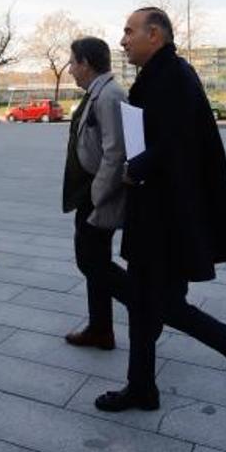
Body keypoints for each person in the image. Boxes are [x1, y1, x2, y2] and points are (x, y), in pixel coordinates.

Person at [94, 7, 226, 413]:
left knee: (162, 305)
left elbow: (176, 142)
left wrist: (134, 168)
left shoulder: (173, 77)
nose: (123, 40)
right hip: (155, 211)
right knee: (143, 304)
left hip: (167, 218)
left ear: (155, 35)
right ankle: (141, 388)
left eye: (129, 31)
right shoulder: (161, 75)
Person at [61, 37, 128, 351]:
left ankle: (148, 305)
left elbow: (116, 153)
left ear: (85, 63)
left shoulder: (109, 96)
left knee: (92, 261)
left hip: (97, 192)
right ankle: (100, 328)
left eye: (73, 62)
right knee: (92, 260)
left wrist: (98, 197)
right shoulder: (97, 93)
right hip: (88, 189)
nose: (71, 69)